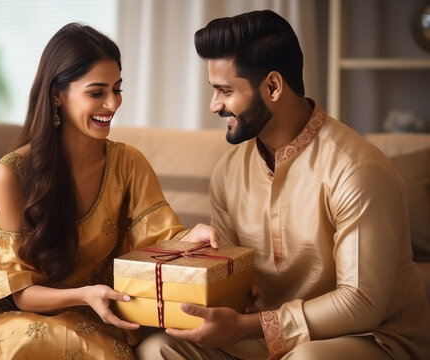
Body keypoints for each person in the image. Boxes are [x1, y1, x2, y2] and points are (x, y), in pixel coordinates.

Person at [0, 23, 217, 360]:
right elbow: (20, 294)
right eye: (97, 92)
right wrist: (84, 295)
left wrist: (189, 237)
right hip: (7, 317)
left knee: (104, 348)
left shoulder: (129, 163)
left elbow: (157, 240)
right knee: (68, 344)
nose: (112, 104)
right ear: (57, 95)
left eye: (117, 89)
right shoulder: (11, 173)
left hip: (89, 311)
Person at [136, 10, 430, 360]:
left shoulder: (356, 169)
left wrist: (250, 326)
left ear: (272, 86)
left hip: (366, 338)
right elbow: (234, 283)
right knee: (158, 348)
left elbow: (361, 302)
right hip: (258, 336)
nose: (214, 105)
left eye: (225, 91)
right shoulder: (229, 171)